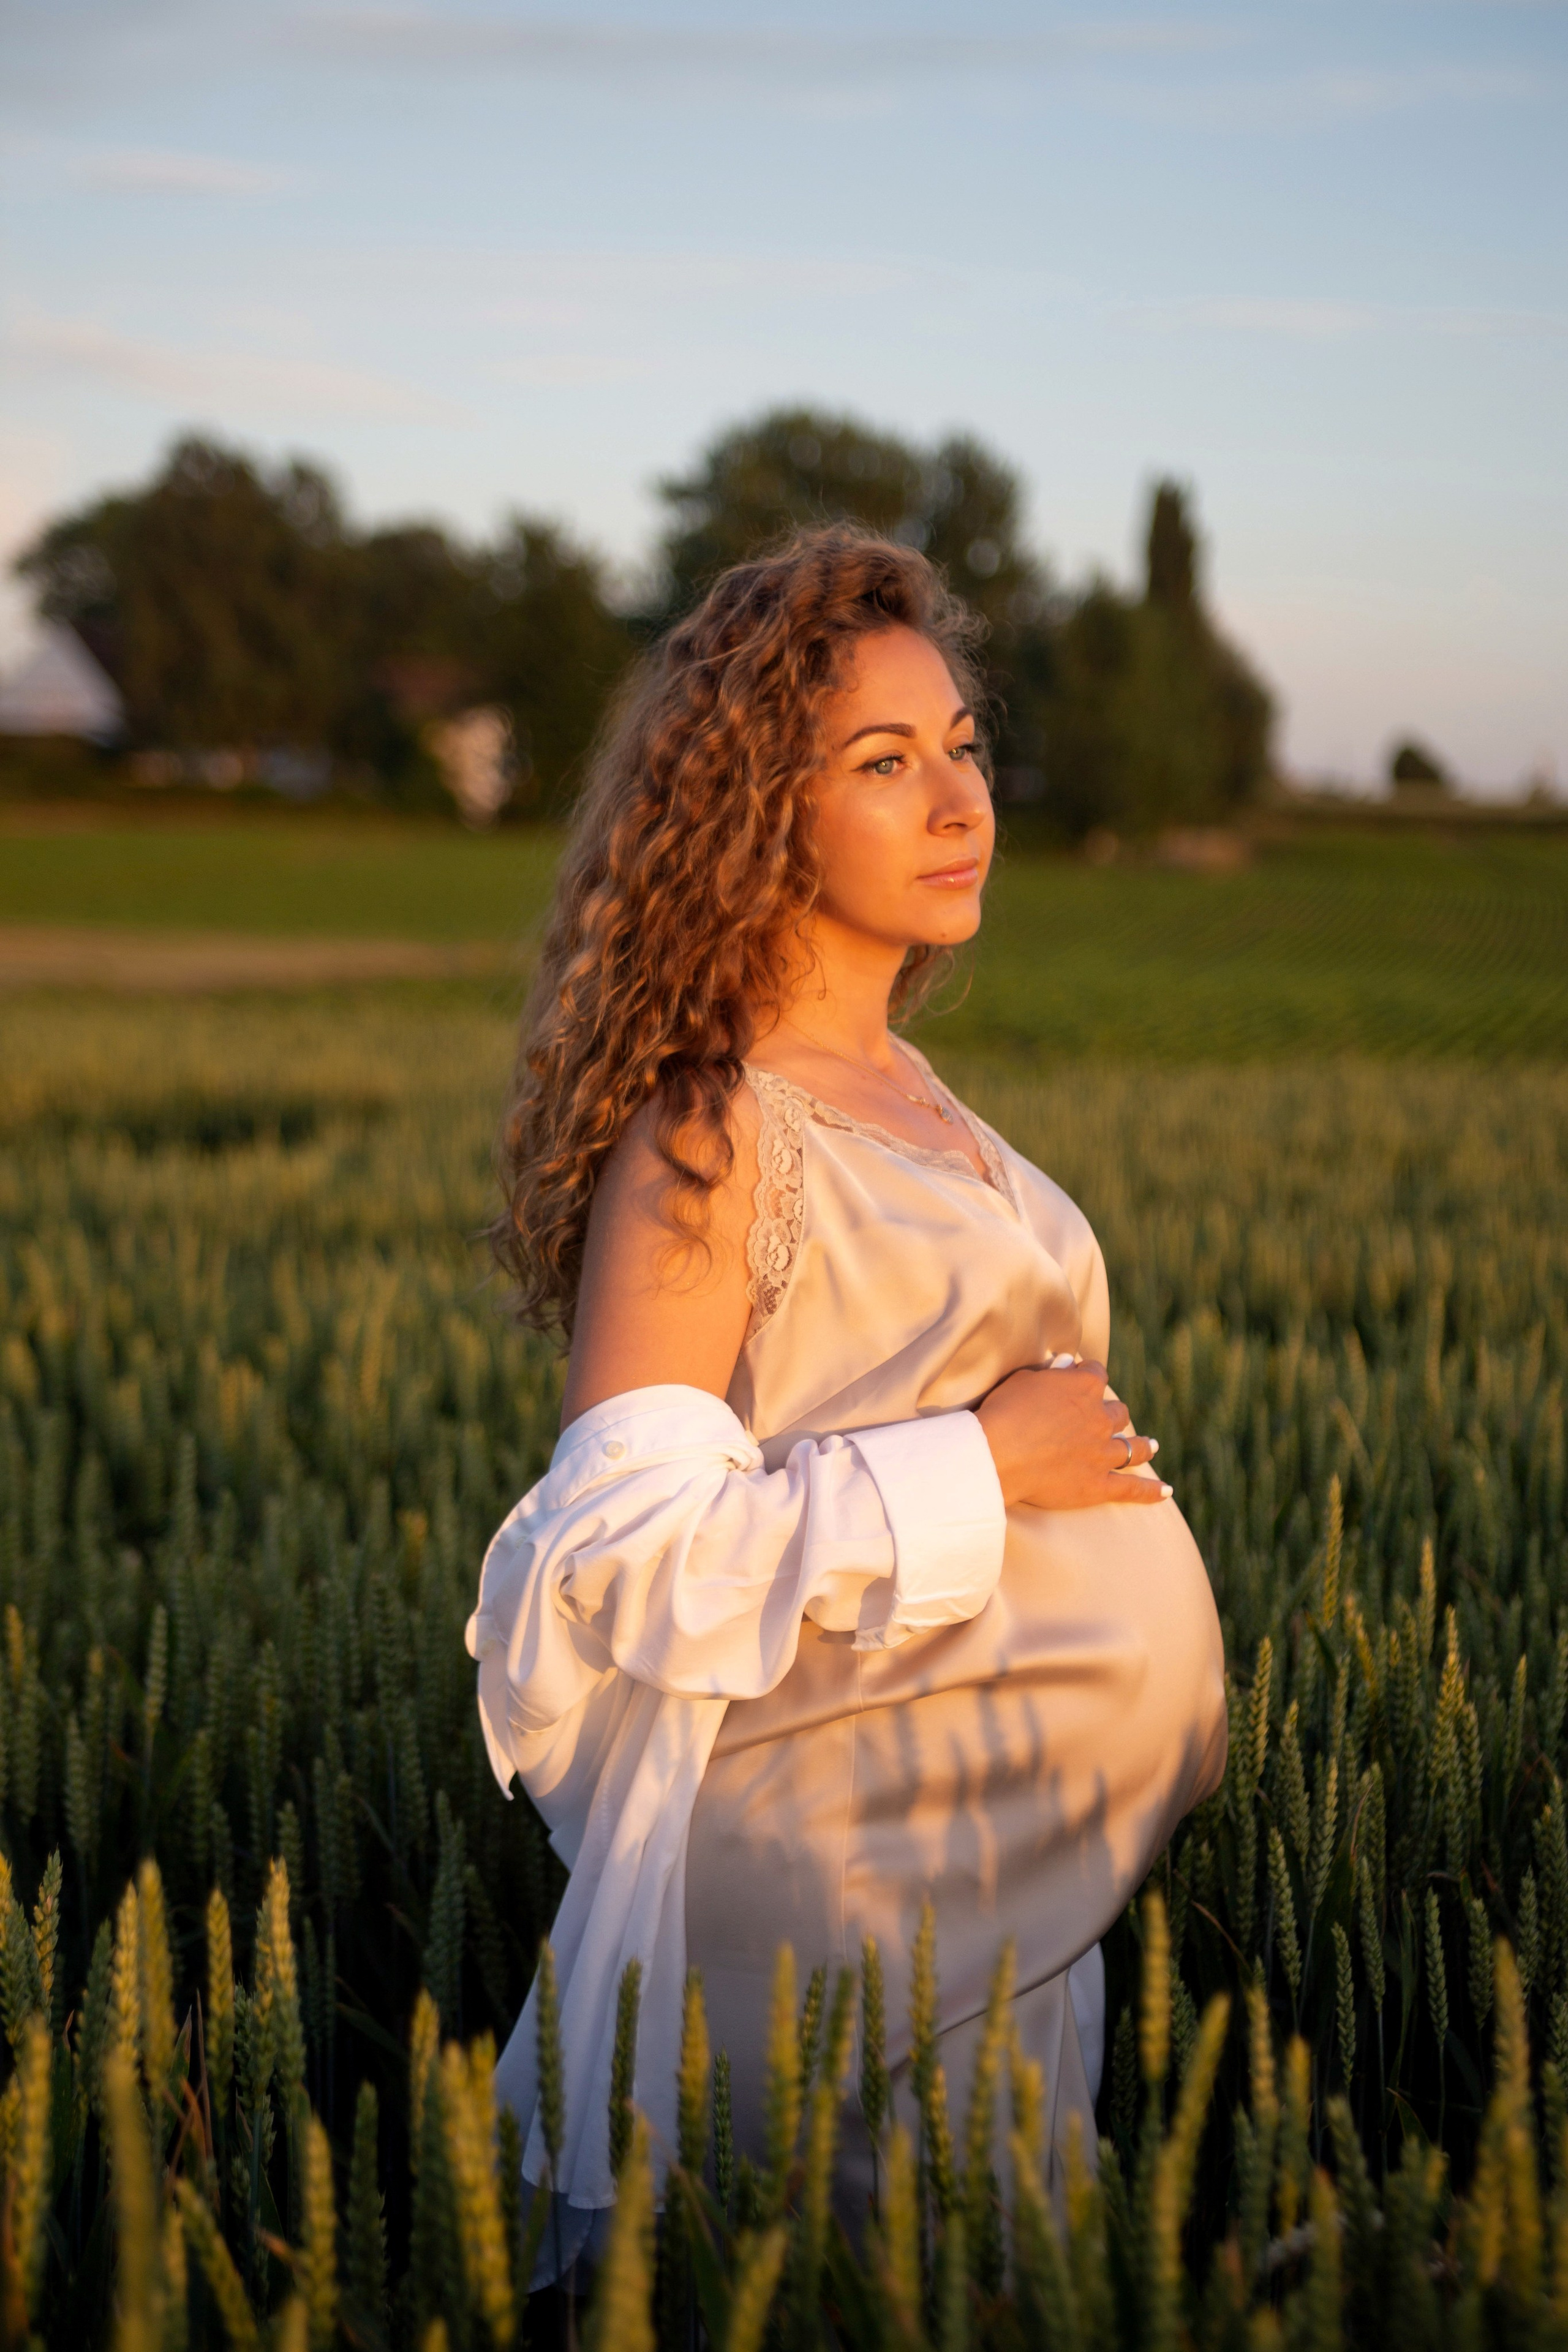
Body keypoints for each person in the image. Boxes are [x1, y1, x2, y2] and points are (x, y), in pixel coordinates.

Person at [467, 525, 1227, 2267]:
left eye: (961, 744)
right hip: (842, 1916)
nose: (960, 800)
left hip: (1008, 1898)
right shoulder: (713, 1128)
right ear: (760, 812)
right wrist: (981, 1464)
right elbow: (619, 1554)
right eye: (884, 763)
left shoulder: (920, 1094)